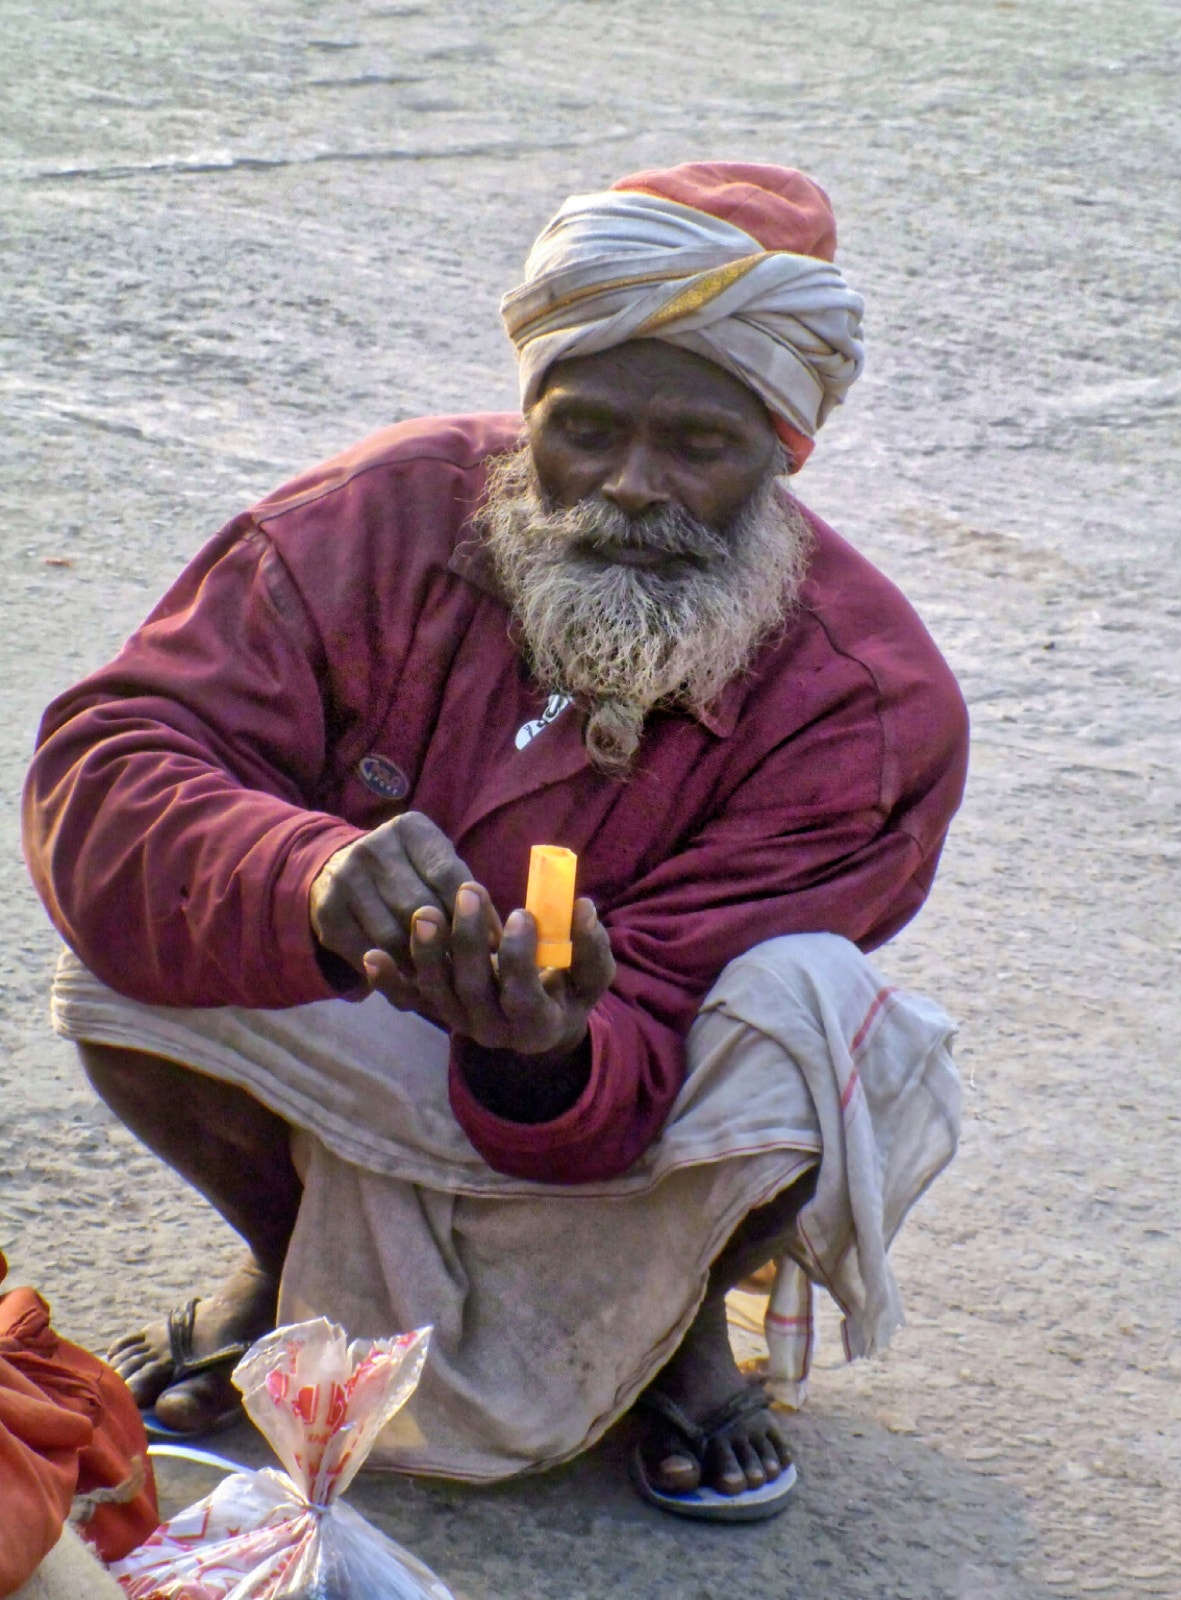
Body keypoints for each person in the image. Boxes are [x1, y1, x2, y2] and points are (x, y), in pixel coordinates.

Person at [23, 162, 968, 1522]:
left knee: (823, 1017)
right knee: (122, 951)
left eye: (697, 448)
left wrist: (551, 1054)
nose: (630, 488)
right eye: (584, 431)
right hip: (382, 1007)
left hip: (642, 1077)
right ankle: (286, 1264)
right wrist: (303, 875)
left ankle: (683, 1335)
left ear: (785, 449)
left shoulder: (869, 703)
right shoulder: (375, 516)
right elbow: (113, 761)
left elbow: (671, 1010)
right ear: (530, 417)